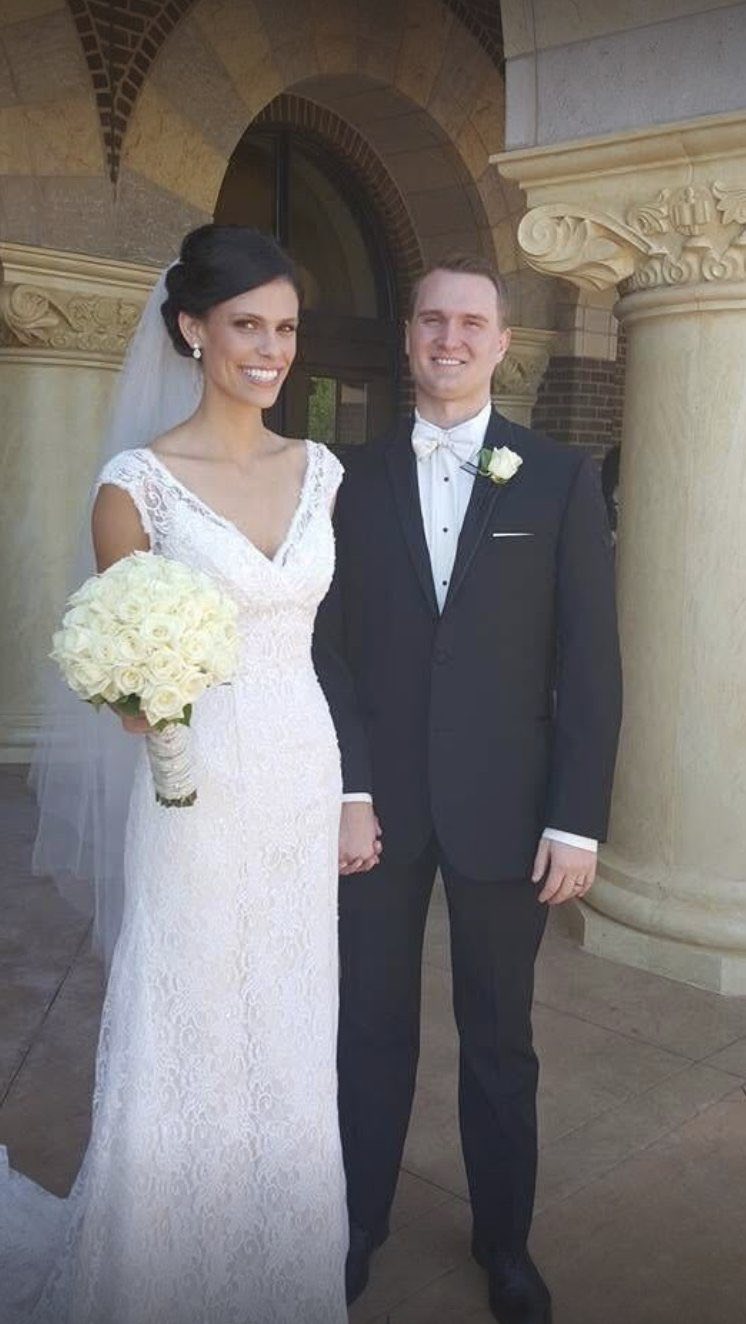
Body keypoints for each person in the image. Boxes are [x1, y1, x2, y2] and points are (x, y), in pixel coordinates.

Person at [1, 225, 350, 1324]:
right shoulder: (136, 486)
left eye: (285, 328)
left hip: (300, 770)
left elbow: (330, 641)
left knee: (289, 1023)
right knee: (192, 1014)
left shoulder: (321, 469)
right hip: (191, 789)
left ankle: (278, 1277)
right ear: (193, 329)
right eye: (247, 324)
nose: (270, 349)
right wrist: (147, 705)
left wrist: (352, 792)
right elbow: (114, 665)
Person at [314, 254, 623, 1324]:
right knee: (366, 1027)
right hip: (377, 813)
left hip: (507, 809)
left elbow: (588, 665)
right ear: (406, 339)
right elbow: (329, 651)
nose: (449, 339)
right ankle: (355, 1225)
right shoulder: (339, 481)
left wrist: (575, 818)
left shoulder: (556, 478)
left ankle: (504, 1242)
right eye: (431, 321)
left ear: (501, 345)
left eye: (470, 323)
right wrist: (349, 789)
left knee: (499, 1038)